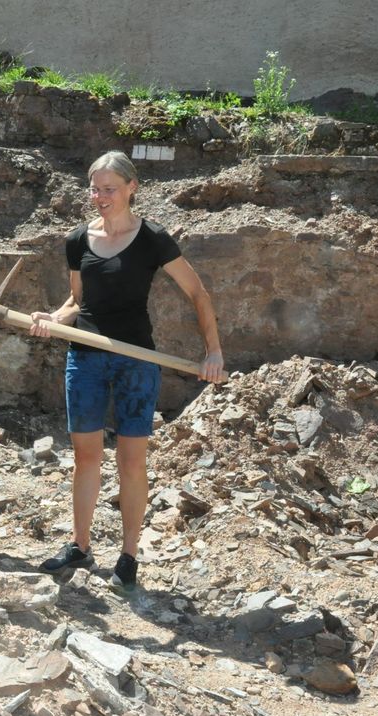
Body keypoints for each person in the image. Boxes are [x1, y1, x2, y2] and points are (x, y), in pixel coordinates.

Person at [30, 150, 223, 589]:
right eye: (94, 188)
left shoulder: (153, 237)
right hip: (86, 356)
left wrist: (213, 352)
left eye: (109, 189)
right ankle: (80, 547)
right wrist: (52, 320)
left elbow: (198, 293)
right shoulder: (79, 240)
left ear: (132, 188)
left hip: (138, 359)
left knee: (132, 462)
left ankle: (129, 555)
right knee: (85, 458)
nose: (100, 197)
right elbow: (77, 302)